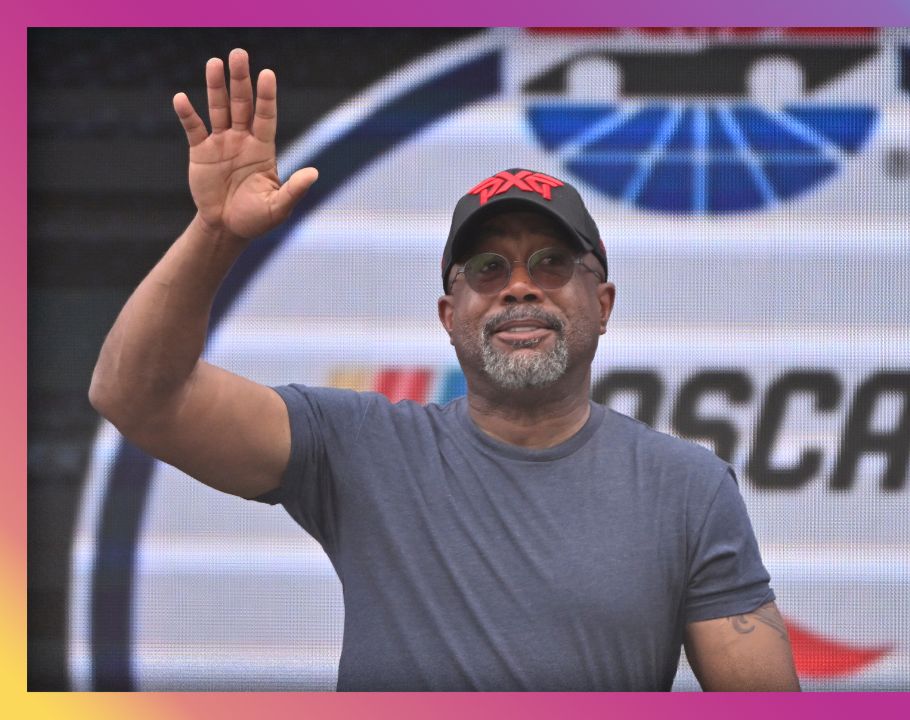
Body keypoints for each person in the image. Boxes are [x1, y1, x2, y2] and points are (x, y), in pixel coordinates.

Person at [89, 48, 801, 692]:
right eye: (488, 268)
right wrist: (216, 234)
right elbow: (134, 395)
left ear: (604, 302)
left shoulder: (687, 486)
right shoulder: (359, 445)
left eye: (552, 264)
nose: (520, 286)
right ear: (448, 315)